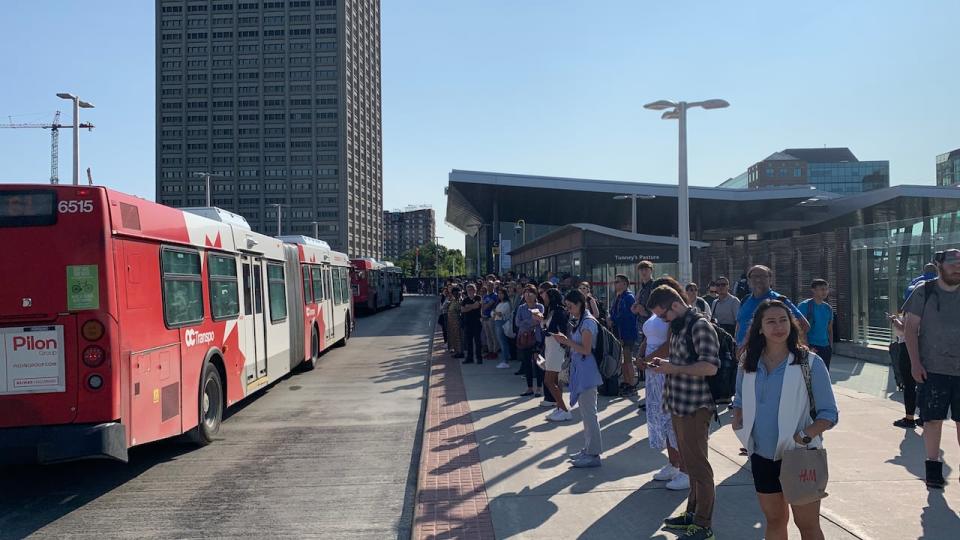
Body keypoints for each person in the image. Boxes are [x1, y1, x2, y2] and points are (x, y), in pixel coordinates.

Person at [732, 299, 838, 540]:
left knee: (807, 525)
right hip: (761, 456)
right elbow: (738, 398)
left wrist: (804, 436)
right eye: (770, 321)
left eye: (783, 320)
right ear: (760, 327)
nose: (778, 326)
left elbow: (829, 414)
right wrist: (737, 417)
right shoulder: (748, 360)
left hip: (799, 455)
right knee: (775, 520)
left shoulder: (809, 363)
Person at [647, 285, 720, 540]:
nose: (663, 320)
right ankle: (692, 514)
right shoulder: (678, 326)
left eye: (663, 315)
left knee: (699, 466)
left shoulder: (699, 325)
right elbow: (679, 363)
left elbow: (710, 367)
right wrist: (665, 365)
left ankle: (703, 524)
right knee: (689, 464)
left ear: (675, 306)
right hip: (678, 404)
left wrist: (673, 368)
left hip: (695, 406)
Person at [903, 248, 960, 489]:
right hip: (932, 369)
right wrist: (915, 362)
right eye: (952, 263)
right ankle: (933, 467)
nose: (957, 267)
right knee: (933, 420)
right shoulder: (923, 292)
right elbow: (909, 329)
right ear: (938, 265)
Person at [637, 277, 689, 491]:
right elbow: (648, 336)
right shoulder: (658, 313)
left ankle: (685, 469)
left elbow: (670, 345)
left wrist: (648, 361)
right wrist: (641, 355)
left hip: (665, 369)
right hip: (653, 372)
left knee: (673, 422)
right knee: (660, 418)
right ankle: (673, 462)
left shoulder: (675, 318)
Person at [554, 289, 604, 468]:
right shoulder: (581, 320)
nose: (568, 310)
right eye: (566, 307)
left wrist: (567, 341)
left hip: (587, 372)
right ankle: (589, 449)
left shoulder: (588, 322)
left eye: (570, 306)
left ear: (580, 304)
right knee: (586, 414)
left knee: (590, 415)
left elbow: (586, 349)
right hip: (582, 370)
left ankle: (594, 454)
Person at [735, 265, 809, 350]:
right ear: (748, 281)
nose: (758, 279)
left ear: (770, 280)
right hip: (743, 354)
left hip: (769, 354)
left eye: (763, 276)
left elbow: (804, 325)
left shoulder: (779, 300)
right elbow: (739, 324)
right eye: (754, 276)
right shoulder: (745, 300)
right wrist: (736, 345)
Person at [540, 288, 572, 421]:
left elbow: (551, 331)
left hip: (556, 349)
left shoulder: (559, 311)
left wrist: (540, 322)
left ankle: (564, 409)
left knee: (549, 380)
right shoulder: (552, 311)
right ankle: (560, 407)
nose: (543, 298)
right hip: (551, 347)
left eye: (546, 296)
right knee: (555, 381)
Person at [888, 311, 920, 428]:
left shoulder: (911, 312)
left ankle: (909, 418)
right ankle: (924, 416)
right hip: (924, 347)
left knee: (909, 384)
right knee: (922, 384)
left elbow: (904, 330)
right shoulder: (928, 311)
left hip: (907, 347)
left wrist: (894, 320)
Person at [609, 274, 640, 395]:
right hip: (620, 332)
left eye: (618, 282)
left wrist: (614, 319)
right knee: (622, 360)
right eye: (615, 282)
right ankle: (626, 382)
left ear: (625, 284)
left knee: (627, 359)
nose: (615, 284)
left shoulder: (629, 297)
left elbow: (628, 315)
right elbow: (614, 312)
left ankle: (632, 384)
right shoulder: (618, 297)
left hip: (627, 332)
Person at [797, 279, 835, 370]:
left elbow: (829, 329)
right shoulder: (804, 306)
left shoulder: (828, 308)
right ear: (813, 290)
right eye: (822, 289)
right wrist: (806, 347)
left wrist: (830, 347)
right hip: (810, 346)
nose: (825, 292)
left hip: (825, 347)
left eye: (826, 289)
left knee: (824, 375)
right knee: (808, 376)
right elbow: (799, 329)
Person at [516, 285, 545, 397]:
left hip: (537, 338)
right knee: (527, 363)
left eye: (530, 293)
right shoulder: (521, 307)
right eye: (526, 293)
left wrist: (528, 322)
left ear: (535, 294)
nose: (528, 295)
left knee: (539, 363)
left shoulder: (540, 306)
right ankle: (529, 388)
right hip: (525, 338)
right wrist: (531, 321)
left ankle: (539, 387)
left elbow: (539, 320)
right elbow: (518, 322)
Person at [460, 284, 483, 364]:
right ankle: (470, 358)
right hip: (467, 323)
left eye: (471, 289)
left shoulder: (478, 297)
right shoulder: (465, 300)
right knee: (469, 342)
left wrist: (468, 307)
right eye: (468, 290)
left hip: (476, 322)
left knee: (478, 341)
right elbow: (462, 310)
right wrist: (471, 307)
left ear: (475, 290)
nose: (470, 291)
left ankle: (479, 358)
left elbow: (477, 306)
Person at [493, 288, 514, 370]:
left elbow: (500, 314)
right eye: (498, 293)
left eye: (501, 293)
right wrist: (495, 312)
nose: (499, 295)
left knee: (503, 342)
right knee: (501, 342)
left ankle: (505, 361)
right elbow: (493, 313)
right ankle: (504, 359)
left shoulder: (507, 304)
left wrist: (495, 312)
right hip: (497, 322)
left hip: (502, 323)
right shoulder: (499, 303)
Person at [481, 285, 501, 360]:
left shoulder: (495, 296)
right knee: (488, 336)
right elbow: (482, 305)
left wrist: (483, 307)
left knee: (493, 336)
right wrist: (482, 314)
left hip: (491, 318)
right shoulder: (485, 296)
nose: (489, 287)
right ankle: (490, 351)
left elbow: (488, 305)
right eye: (488, 285)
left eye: (490, 285)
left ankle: (495, 352)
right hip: (485, 317)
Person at [447, 287, 463, 358]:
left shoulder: (460, 301)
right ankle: (456, 351)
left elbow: (460, 311)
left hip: (457, 321)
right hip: (451, 321)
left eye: (457, 293)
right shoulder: (452, 300)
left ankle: (460, 352)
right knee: (453, 336)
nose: (456, 295)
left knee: (458, 337)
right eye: (454, 293)